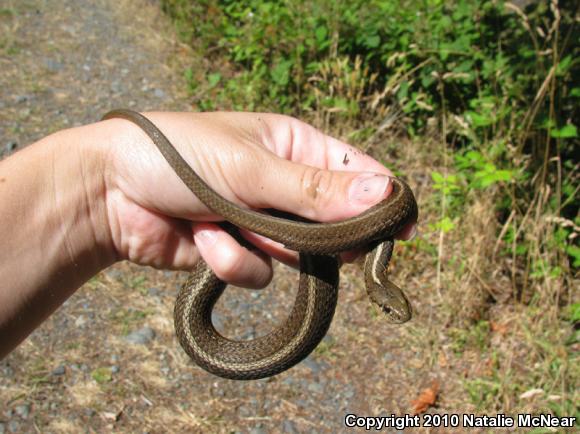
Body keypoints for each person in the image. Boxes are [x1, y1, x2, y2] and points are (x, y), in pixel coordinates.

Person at [0, 111, 416, 359]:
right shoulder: (383, 228)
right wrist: (110, 172)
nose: (393, 314)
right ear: (380, 294)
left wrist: (108, 182)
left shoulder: (379, 247)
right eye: (389, 310)